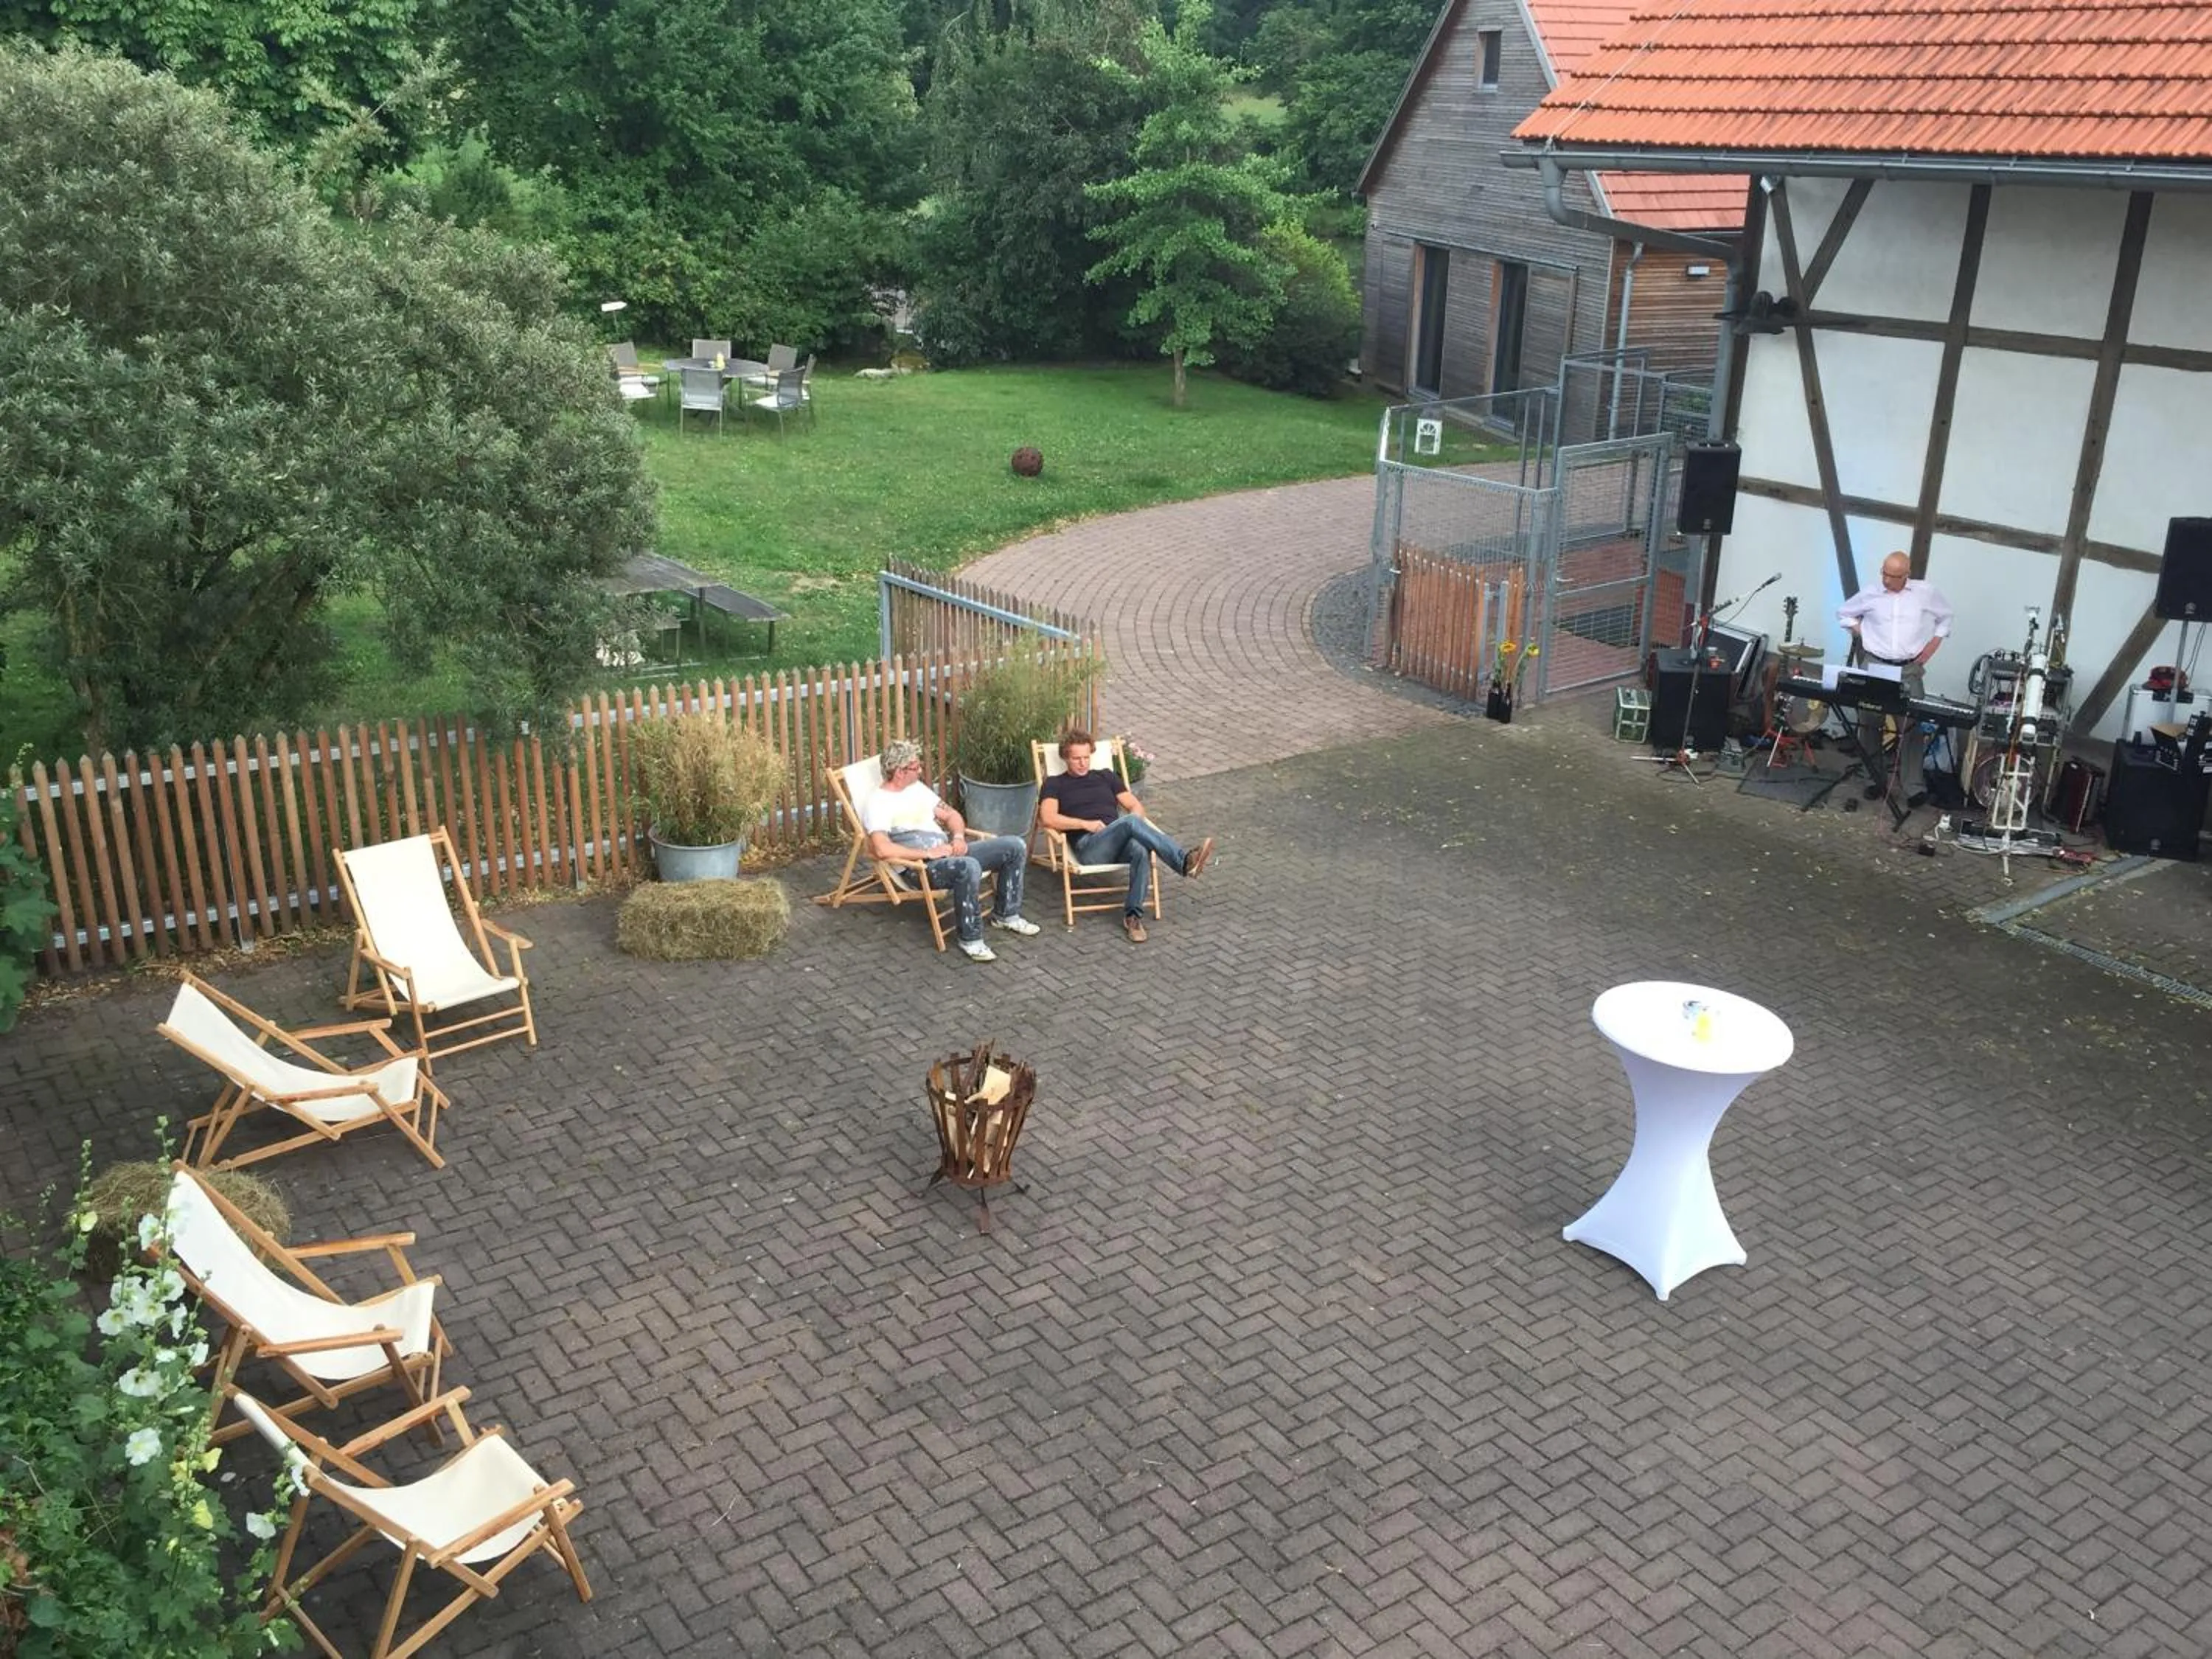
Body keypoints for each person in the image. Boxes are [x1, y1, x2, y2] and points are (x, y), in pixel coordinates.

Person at [862, 737, 1038, 963]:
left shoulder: (917, 789)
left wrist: (958, 837)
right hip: (920, 867)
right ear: (899, 772)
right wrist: (928, 854)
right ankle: (971, 938)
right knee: (968, 867)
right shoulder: (878, 803)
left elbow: (951, 815)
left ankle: (1006, 915)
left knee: (1015, 846)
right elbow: (882, 849)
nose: (921, 770)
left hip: (949, 853)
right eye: (916, 767)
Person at [1036, 728, 1214, 944]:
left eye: (1086, 757)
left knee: (1140, 848)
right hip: (1089, 846)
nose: (1083, 763)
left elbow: (1135, 806)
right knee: (1129, 822)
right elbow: (1047, 818)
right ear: (1066, 757)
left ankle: (1133, 918)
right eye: (1076, 759)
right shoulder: (1055, 784)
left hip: (1118, 838)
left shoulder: (1106, 776)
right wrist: (1085, 824)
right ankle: (1182, 862)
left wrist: (1134, 828)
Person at [1838, 551, 1954, 806]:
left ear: (1906, 575)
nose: (1886, 580)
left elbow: (1946, 617)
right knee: (1870, 721)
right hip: (1876, 663)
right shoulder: (1871, 592)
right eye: (1884, 573)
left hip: (1908, 668)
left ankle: (1913, 786)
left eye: (1892, 576)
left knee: (1911, 726)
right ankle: (1874, 780)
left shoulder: (1925, 593)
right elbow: (1844, 613)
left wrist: (1932, 647)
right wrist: (1862, 633)